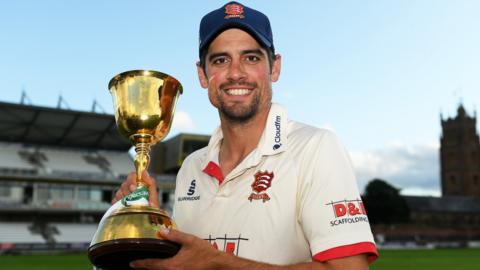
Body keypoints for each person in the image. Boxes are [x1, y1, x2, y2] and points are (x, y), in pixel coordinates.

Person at [113, 2, 378, 269]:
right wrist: (152, 225)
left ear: (275, 68)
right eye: (220, 60)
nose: (236, 73)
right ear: (202, 75)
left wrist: (218, 264)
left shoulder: (315, 147)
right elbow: (187, 262)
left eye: (251, 58)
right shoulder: (192, 167)